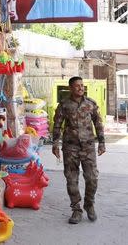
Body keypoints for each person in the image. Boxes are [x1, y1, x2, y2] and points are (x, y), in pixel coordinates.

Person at [52, 76, 105, 224]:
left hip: (88, 147)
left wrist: (102, 142)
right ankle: (76, 210)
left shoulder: (91, 104)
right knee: (71, 179)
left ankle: (89, 204)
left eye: (82, 85)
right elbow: (57, 125)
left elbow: (98, 123)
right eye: (77, 86)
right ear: (71, 88)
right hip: (70, 148)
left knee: (92, 178)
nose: (81, 88)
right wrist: (55, 144)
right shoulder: (64, 105)